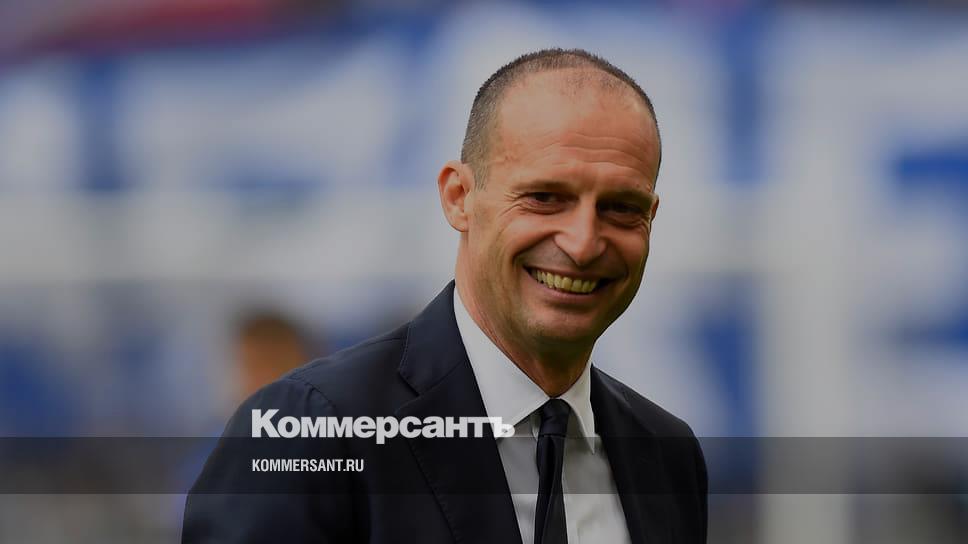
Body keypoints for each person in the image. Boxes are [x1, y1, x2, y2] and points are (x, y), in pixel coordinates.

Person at [183, 48, 707, 544]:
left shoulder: (665, 455)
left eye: (621, 208)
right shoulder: (310, 429)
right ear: (459, 197)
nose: (583, 242)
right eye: (545, 197)